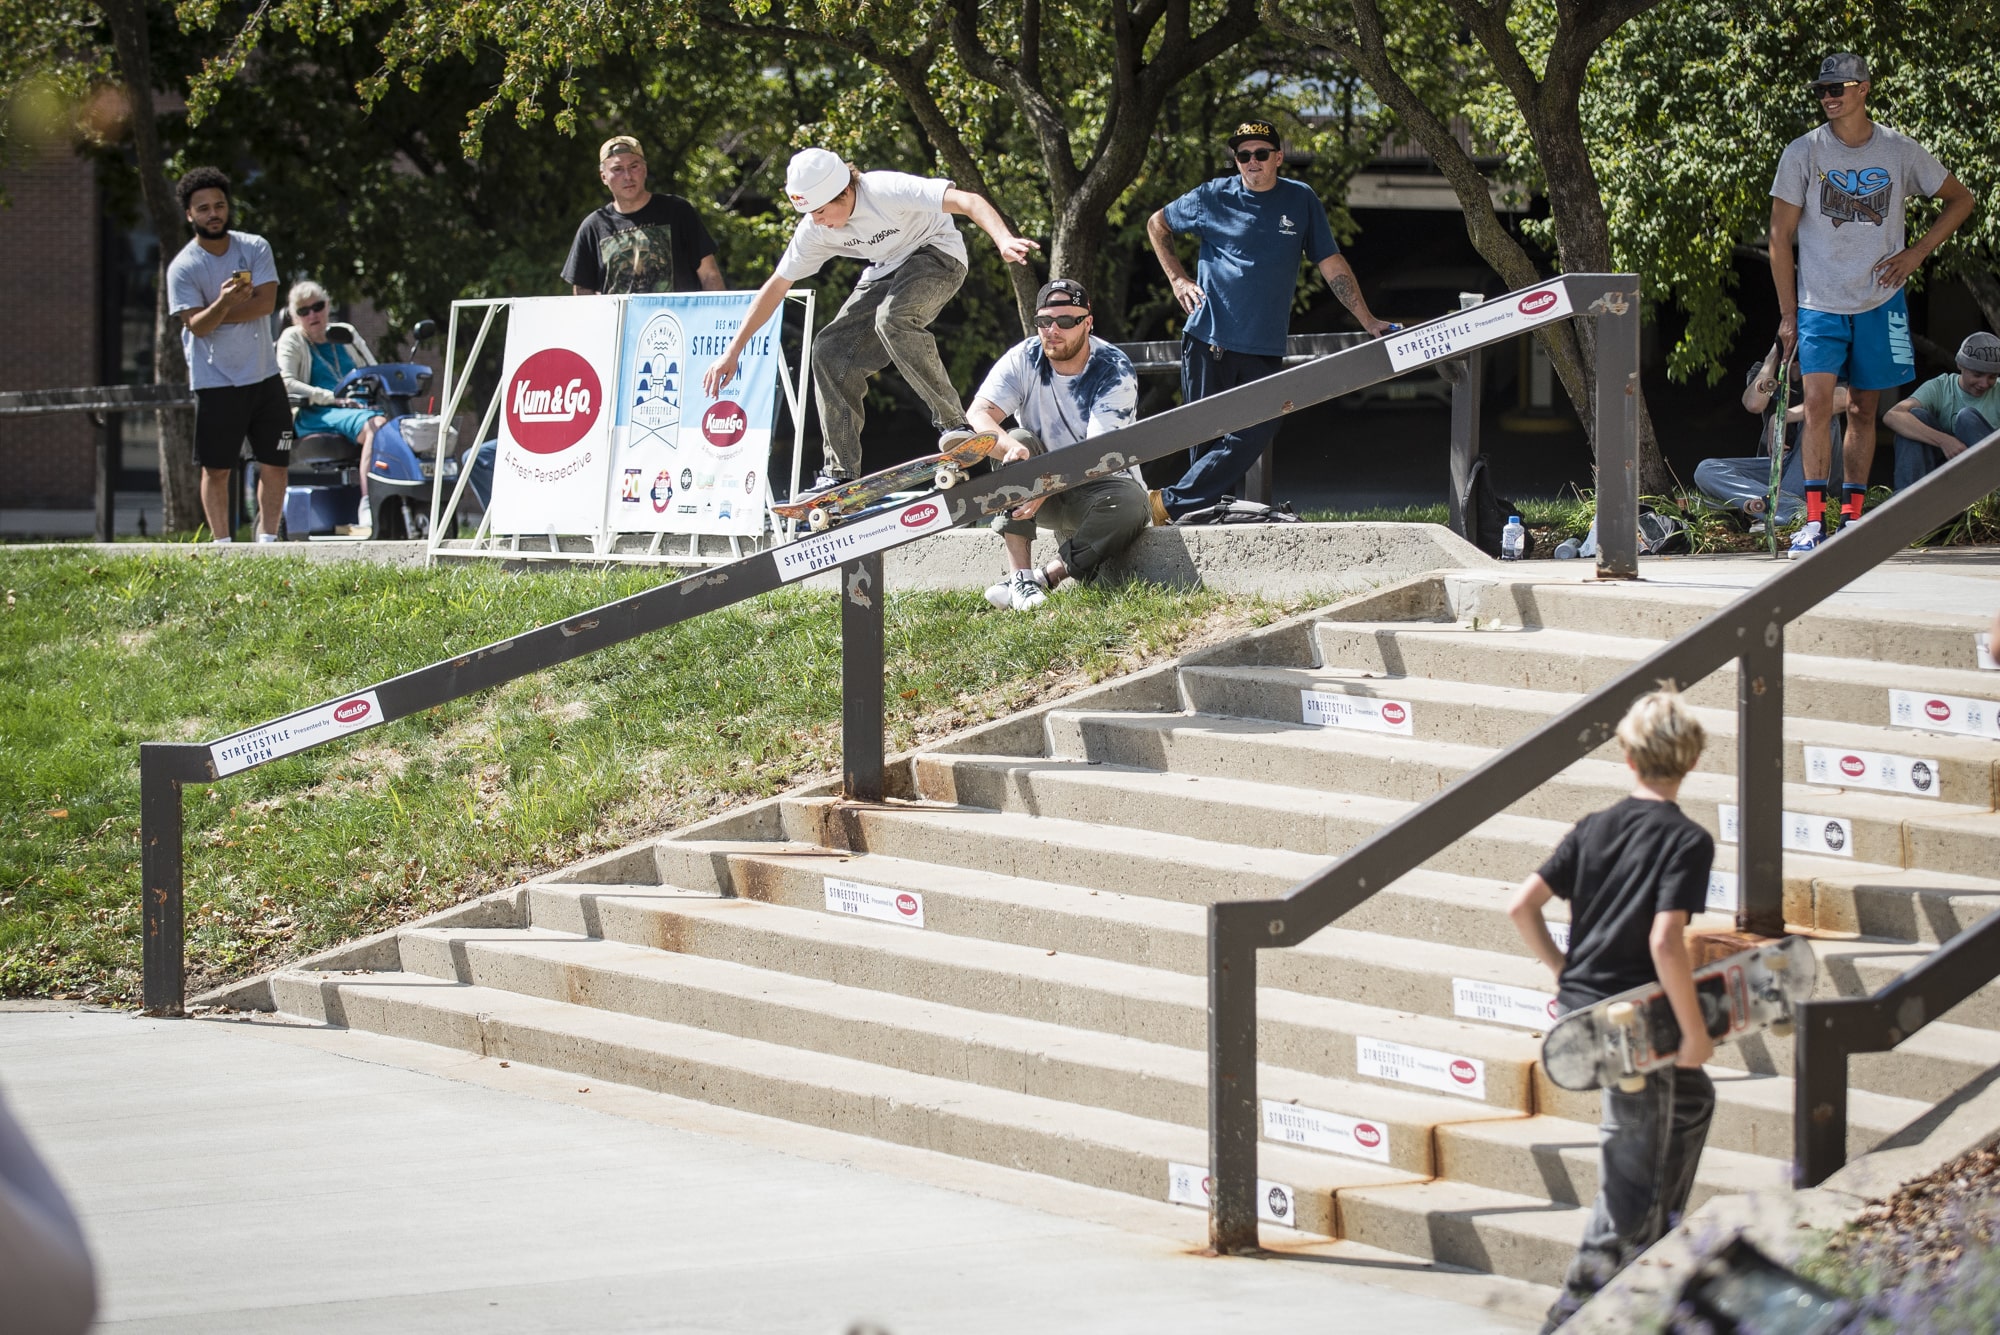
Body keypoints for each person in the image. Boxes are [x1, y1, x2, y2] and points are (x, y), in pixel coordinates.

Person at [1507, 686, 1716, 1332]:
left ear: (1627, 756)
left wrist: (1563, 970)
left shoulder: (1594, 826)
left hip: (1582, 1015)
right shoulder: (1687, 839)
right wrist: (1693, 1030)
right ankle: (1570, 1312)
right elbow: (1664, 942)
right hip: (1636, 1025)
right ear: (1692, 759)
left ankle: (1655, 1254)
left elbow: (1521, 905)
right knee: (1628, 1181)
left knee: (1693, 1101)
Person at [700, 148, 1039, 490]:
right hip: (884, 272)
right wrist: (733, 351)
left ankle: (955, 425)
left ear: (845, 191)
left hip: (937, 255)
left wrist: (1003, 239)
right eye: (809, 213)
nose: (817, 221)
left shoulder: (884, 190)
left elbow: (969, 201)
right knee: (829, 350)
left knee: (893, 318)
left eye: (820, 211)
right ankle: (840, 472)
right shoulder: (814, 230)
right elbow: (776, 287)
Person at [1769, 52, 1976, 556]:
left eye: (1837, 88)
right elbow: (1779, 237)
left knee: (1864, 409)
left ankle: (1852, 522)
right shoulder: (1804, 152)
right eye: (1821, 90)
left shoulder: (1899, 151)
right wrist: (1789, 314)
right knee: (1819, 406)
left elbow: (1962, 199)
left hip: (1881, 301)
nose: (1827, 97)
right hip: (1819, 302)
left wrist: (1917, 252)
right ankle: (1813, 522)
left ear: (1864, 88)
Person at [1144, 116, 1393, 524]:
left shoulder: (1301, 200)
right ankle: (1196, 536)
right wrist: (1177, 279)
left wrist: (1367, 320)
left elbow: (1331, 263)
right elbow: (1158, 224)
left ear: (1278, 157)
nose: (1251, 162)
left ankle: (1166, 504)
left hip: (1263, 345)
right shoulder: (1212, 196)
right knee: (1205, 447)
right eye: (1243, 156)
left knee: (1260, 427)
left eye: (1260, 154)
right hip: (1208, 340)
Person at [962, 278, 1150, 611]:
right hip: (1035, 491)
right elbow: (978, 413)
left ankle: (1044, 577)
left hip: (1098, 491)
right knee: (1016, 441)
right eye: (1044, 322)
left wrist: (1046, 484)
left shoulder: (1113, 368)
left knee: (1134, 502)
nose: (1052, 330)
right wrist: (1011, 450)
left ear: (1087, 323)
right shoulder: (1023, 357)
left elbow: (1097, 453)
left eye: (1065, 321)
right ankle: (1018, 577)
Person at [166, 166, 286, 542]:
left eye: (219, 205)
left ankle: (266, 541)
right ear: (190, 215)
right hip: (216, 380)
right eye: (202, 208)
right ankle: (223, 546)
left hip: (265, 375)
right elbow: (195, 326)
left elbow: (266, 305)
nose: (213, 213)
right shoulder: (183, 267)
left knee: (276, 463)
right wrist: (222, 302)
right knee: (217, 469)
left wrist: (214, 313)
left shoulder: (254, 247)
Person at [275, 281, 387, 536]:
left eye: (318, 307)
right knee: (376, 427)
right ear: (294, 317)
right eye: (304, 311)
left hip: (359, 408)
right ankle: (370, 502)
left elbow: (373, 369)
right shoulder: (293, 338)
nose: (313, 315)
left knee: (398, 425)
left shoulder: (344, 332)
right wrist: (329, 397)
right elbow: (285, 381)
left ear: (328, 306)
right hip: (316, 412)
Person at [1692, 343, 1848, 526]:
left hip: (1816, 469)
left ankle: (1775, 511)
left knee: (1821, 419)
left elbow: (1841, 400)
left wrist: (1783, 417)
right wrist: (1773, 357)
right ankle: (1790, 510)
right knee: (1706, 470)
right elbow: (1754, 404)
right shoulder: (1767, 372)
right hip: (1774, 467)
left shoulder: (1826, 369)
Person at [562, 135, 725, 295]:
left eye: (634, 166)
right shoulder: (593, 226)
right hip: (621, 322)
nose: (627, 176)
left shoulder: (677, 211)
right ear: (603, 177)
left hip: (678, 320)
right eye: (617, 169)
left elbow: (709, 275)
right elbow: (582, 290)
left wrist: (717, 316)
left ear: (645, 169)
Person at [1883, 331, 2000, 490]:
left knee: (1967, 418)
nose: (1984, 384)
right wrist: (1944, 441)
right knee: (1914, 416)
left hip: (1986, 476)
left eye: (1992, 377)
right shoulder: (1941, 386)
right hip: (1943, 473)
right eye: (1977, 374)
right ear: (1960, 365)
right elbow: (1893, 415)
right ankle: (1907, 497)